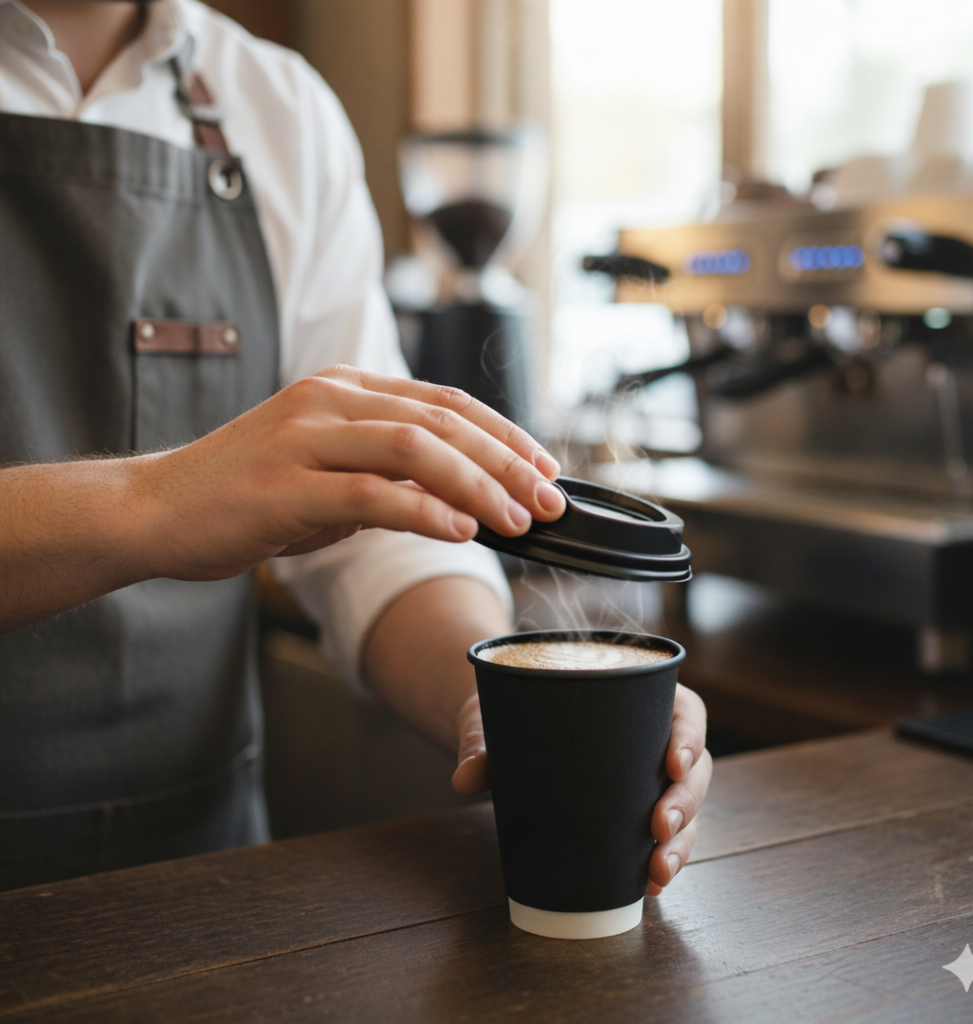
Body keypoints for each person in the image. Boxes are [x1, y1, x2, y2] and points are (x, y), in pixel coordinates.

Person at [0, 0, 712, 893]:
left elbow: (375, 528)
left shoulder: (279, 108)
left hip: (194, 885)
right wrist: (158, 503)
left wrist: (499, 702)